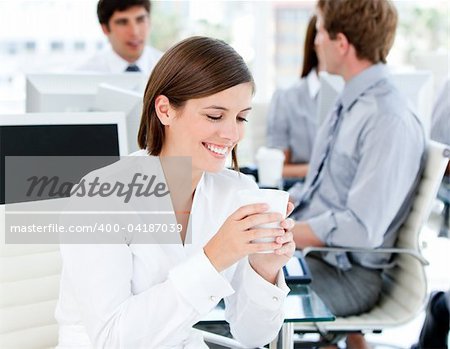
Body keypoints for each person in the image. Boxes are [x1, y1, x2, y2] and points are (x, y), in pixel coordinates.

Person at [55, 36, 296, 349]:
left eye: (241, 117)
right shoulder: (100, 198)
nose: (232, 133)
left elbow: (253, 335)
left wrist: (264, 269)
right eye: (214, 115)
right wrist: (214, 258)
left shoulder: (237, 193)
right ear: (165, 110)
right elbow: (112, 339)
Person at [290, 0, 425, 348]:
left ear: (341, 43)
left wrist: (285, 233)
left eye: (320, 31)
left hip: (347, 277)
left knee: (227, 293)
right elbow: (320, 191)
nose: (315, 41)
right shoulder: (350, 101)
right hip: (320, 259)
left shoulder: (387, 118)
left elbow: (362, 230)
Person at [266, 15, 325, 182]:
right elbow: (274, 169)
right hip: (302, 194)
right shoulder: (287, 99)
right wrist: (320, 170)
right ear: (315, 42)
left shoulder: (361, 102)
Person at [77, 0, 162, 74]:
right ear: (105, 28)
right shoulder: (84, 75)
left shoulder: (169, 70)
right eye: (122, 22)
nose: (134, 32)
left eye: (140, 20)